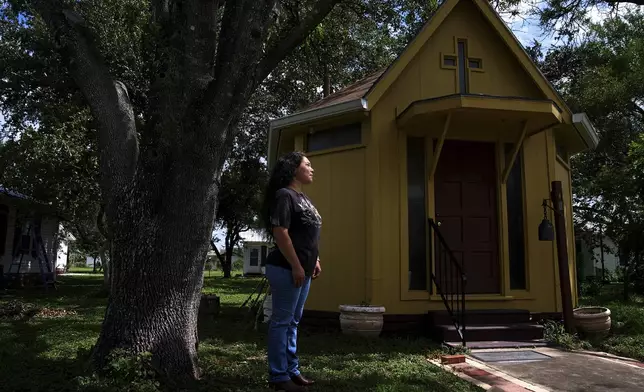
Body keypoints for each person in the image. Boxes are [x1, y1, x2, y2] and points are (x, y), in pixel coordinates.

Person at [261, 151, 322, 392]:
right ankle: (278, 377)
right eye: (308, 164)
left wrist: (316, 259)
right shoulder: (284, 195)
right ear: (293, 169)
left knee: (293, 322)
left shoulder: (302, 197)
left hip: (303, 270)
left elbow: (306, 234)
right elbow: (281, 232)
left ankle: (291, 370)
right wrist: (297, 265)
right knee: (282, 322)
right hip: (286, 268)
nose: (312, 169)